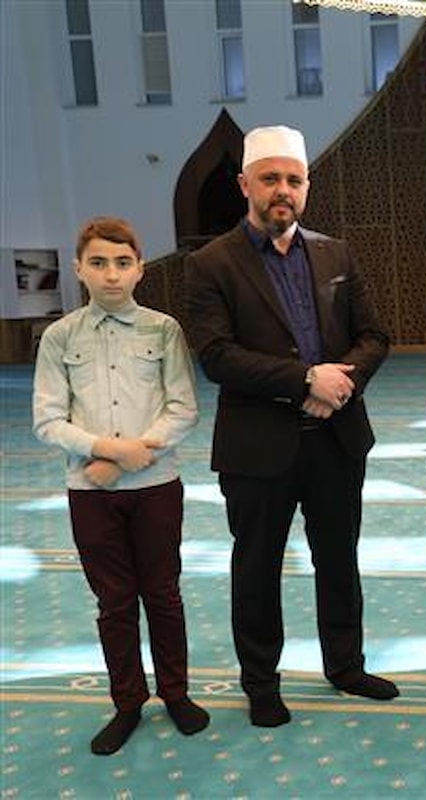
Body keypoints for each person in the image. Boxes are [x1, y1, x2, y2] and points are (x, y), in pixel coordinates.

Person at [185, 125, 396, 728]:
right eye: (270, 178)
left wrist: (340, 384)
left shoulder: (335, 254)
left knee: (339, 559)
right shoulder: (210, 264)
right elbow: (217, 356)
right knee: (257, 568)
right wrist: (305, 380)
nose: (283, 190)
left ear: (307, 187)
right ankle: (261, 683)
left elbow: (374, 336)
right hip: (258, 448)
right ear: (244, 184)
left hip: (336, 439)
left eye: (294, 180)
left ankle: (346, 666)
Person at [33, 217, 208, 755]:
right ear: (79, 269)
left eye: (122, 263)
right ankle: (127, 702)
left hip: (156, 487)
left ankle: (176, 693)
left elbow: (183, 408)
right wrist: (107, 452)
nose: (111, 274)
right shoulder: (60, 337)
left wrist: (131, 458)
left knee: (163, 595)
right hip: (91, 491)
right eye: (99, 263)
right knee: (114, 602)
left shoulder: (163, 330)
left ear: (140, 269)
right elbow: (47, 420)